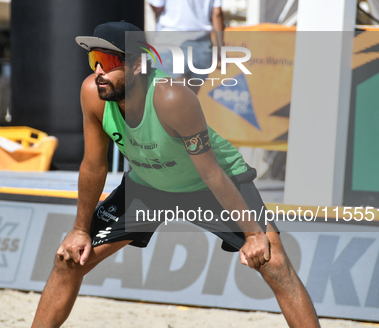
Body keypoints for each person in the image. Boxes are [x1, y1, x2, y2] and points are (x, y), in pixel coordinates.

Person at [31, 21, 320, 328]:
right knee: (70, 259)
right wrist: (79, 228)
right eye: (94, 61)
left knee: (275, 263)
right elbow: (94, 165)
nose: (99, 71)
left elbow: (211, 173)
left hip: (209, 185)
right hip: (149, 187)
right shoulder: (93, 94)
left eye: (111, 61)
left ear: (139, 64)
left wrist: (252, 234)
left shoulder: (172, 99)